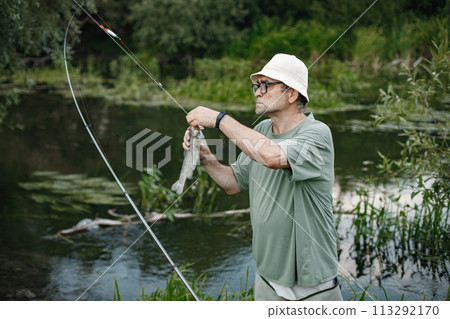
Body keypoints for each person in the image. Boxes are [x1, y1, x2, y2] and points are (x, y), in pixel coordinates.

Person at [184, 53, 342, 301]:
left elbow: (271, 156)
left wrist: (219, 119)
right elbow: (233, 183)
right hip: (266, 277)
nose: (257, 92)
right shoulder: (262, 130)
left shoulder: (317, 134)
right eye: (256, 86)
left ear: (292, 94)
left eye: (265, 85)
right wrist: (204, 154)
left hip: (311, 283)